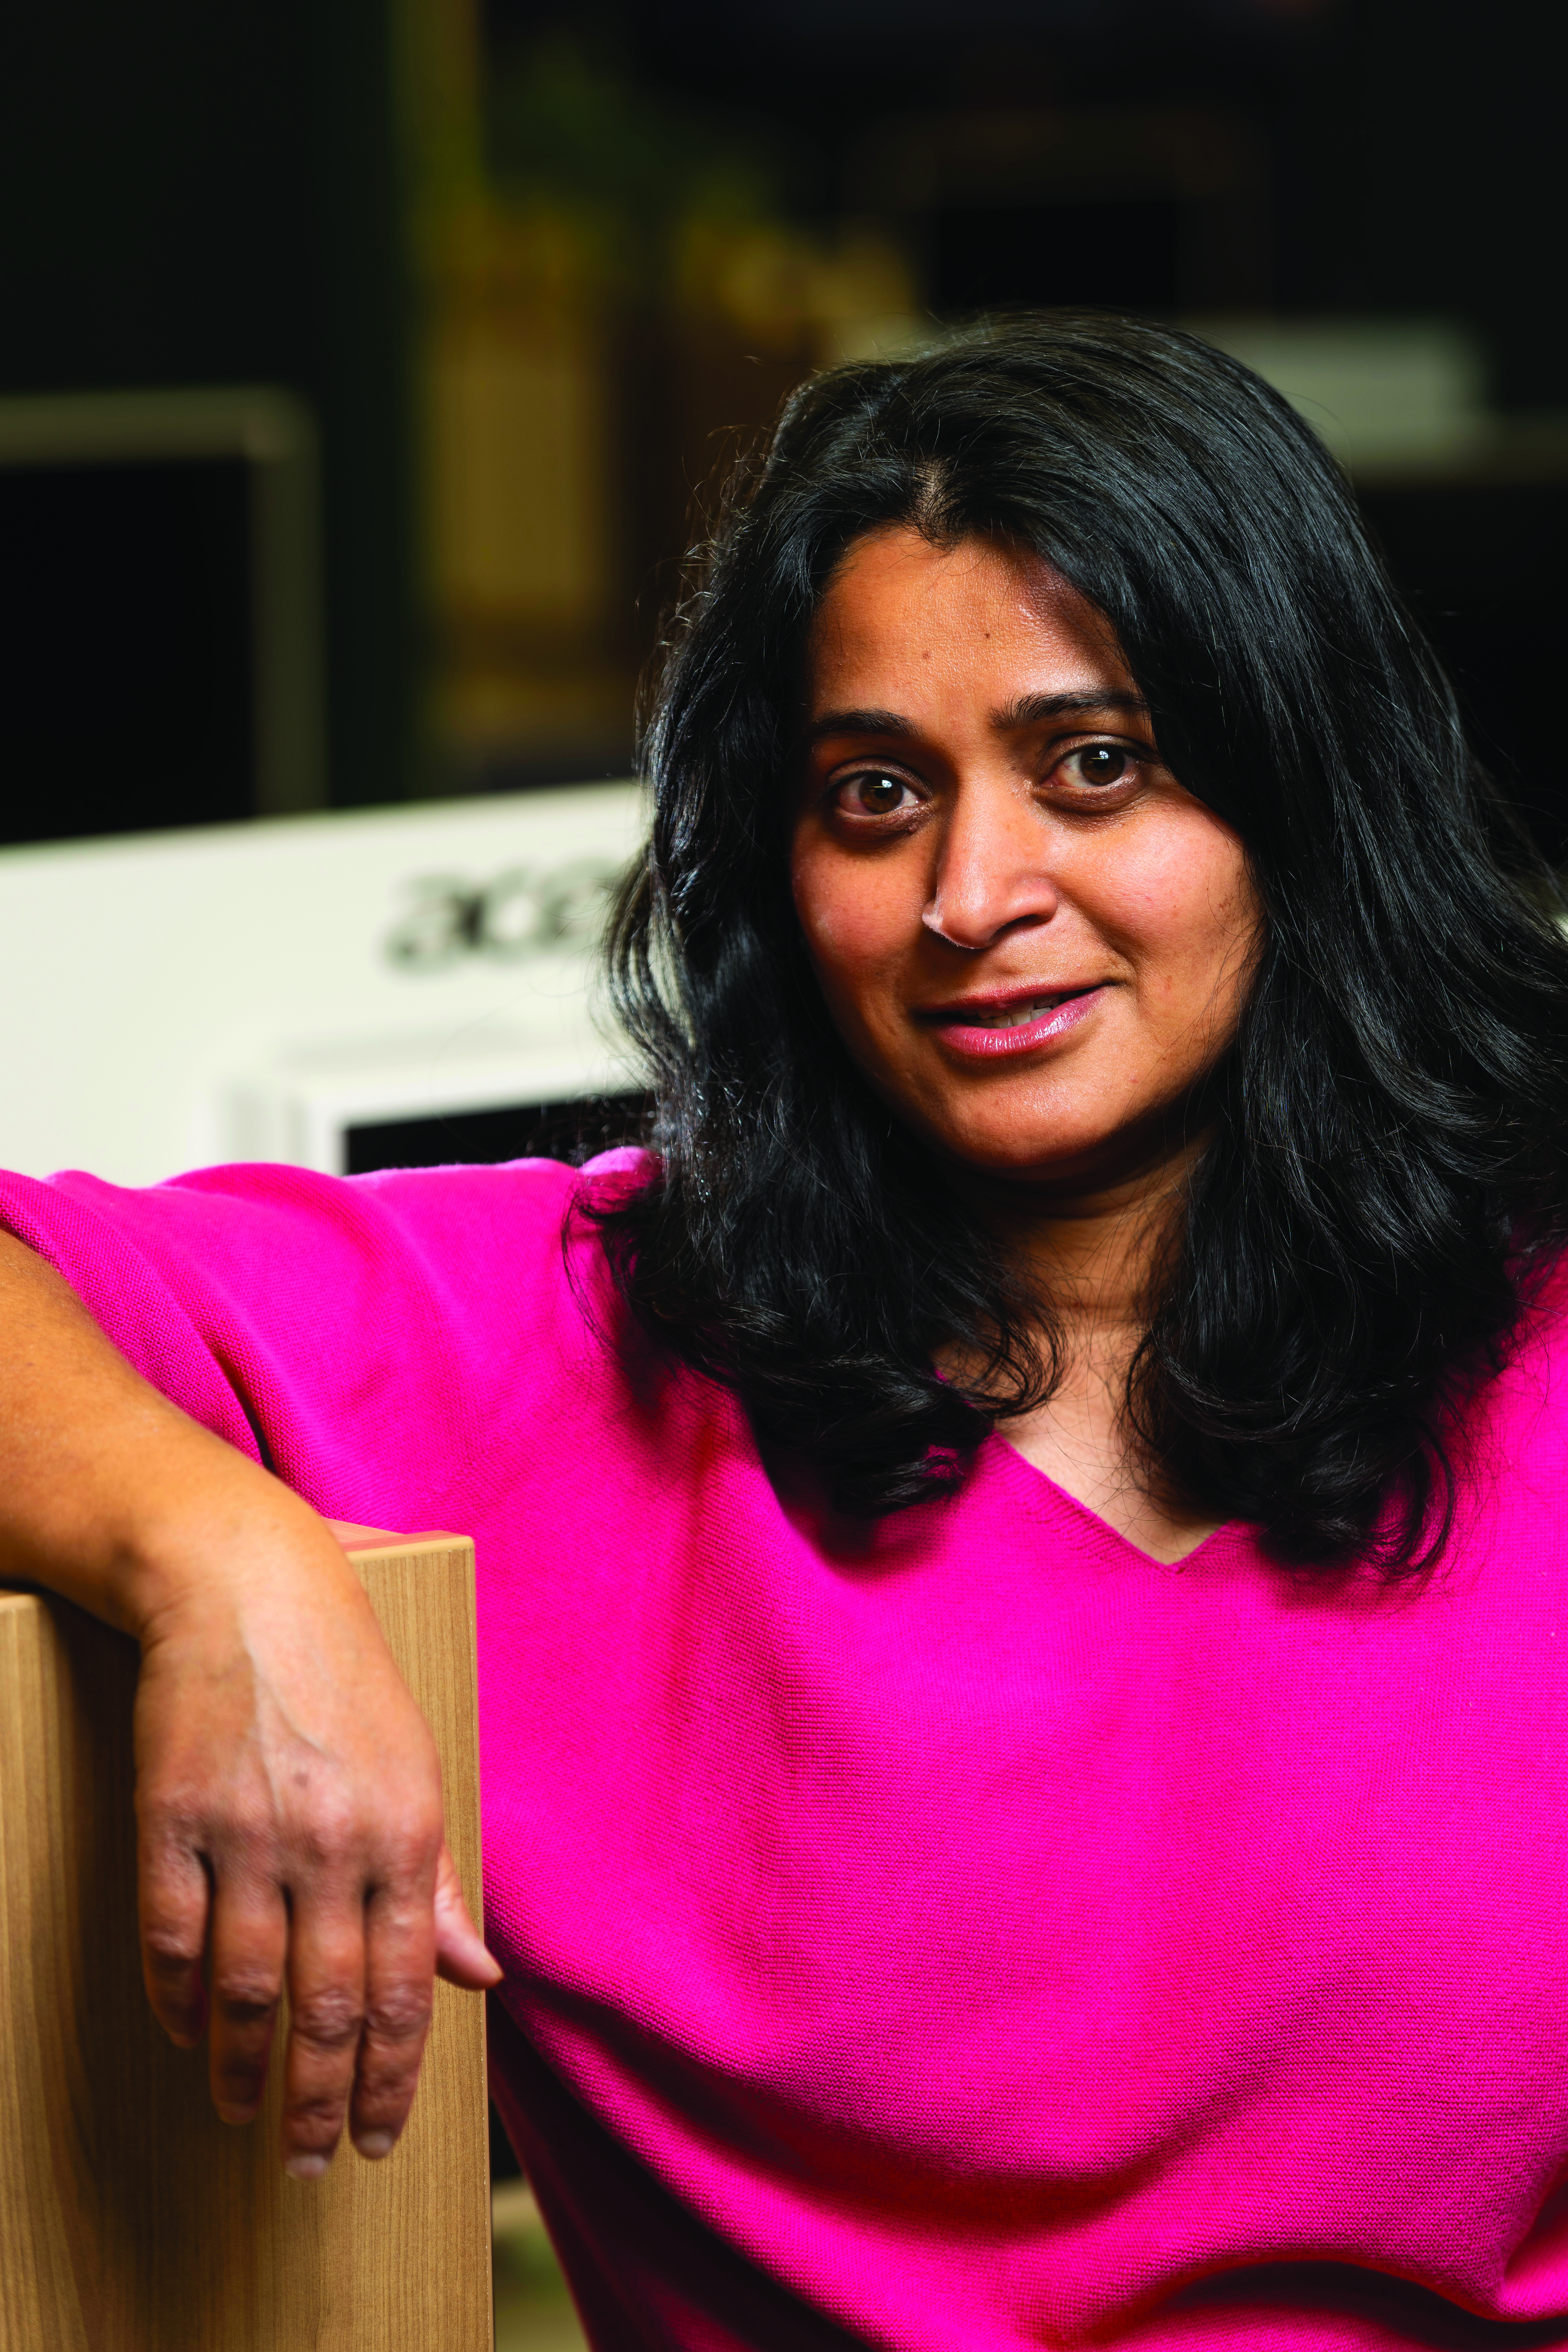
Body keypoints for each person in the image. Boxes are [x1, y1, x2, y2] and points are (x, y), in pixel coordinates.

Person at [4, 312, 1568, 2349]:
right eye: (872, 795)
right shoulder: (581, 1340)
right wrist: (210, 1555)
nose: (972, 892)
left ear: (1301, 794)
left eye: (1096, 766)